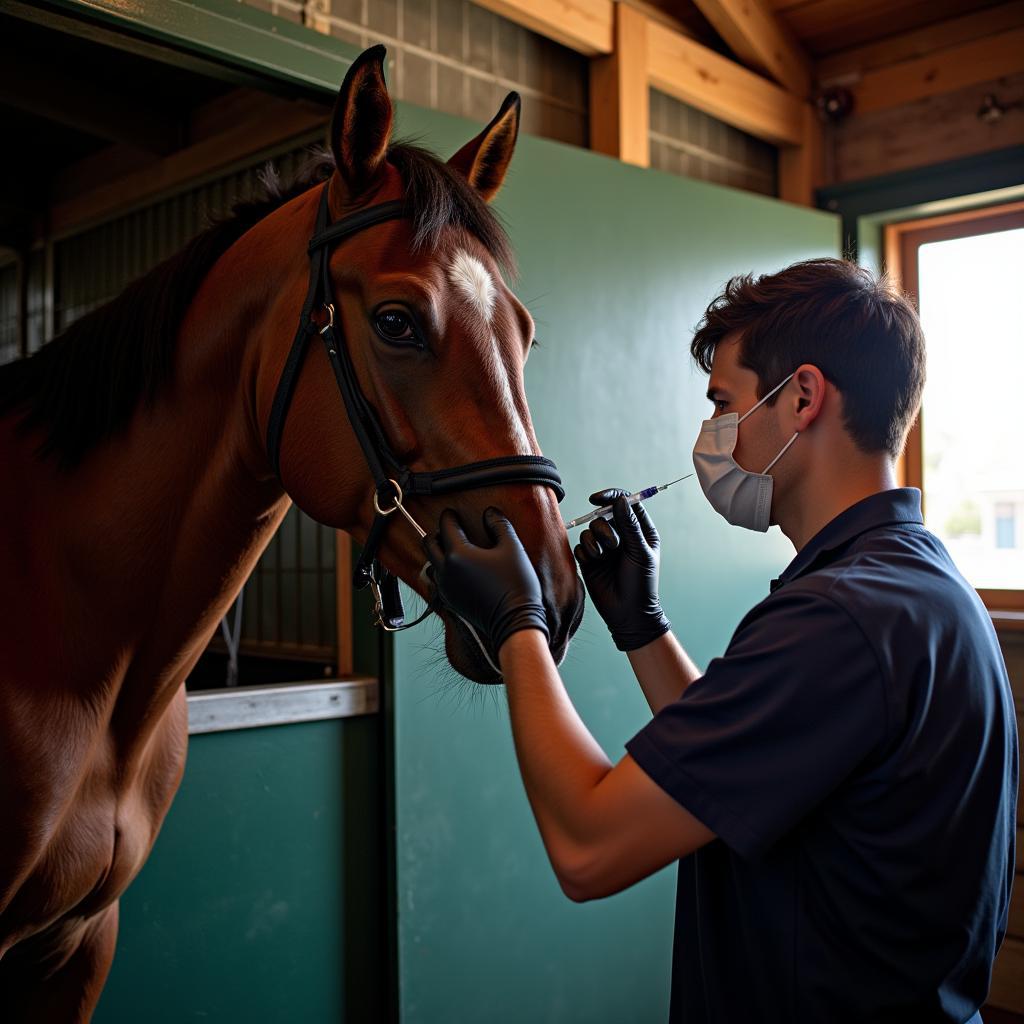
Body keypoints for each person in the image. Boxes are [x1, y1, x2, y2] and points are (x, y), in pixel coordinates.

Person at [423, 257, 1018, 1023]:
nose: (709, 435)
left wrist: (516, 623)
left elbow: (588, 845)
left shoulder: (840, 618)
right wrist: (643, 628)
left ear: (802, 396)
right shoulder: (912, 585)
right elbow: (745, 767)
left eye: (723, 402)